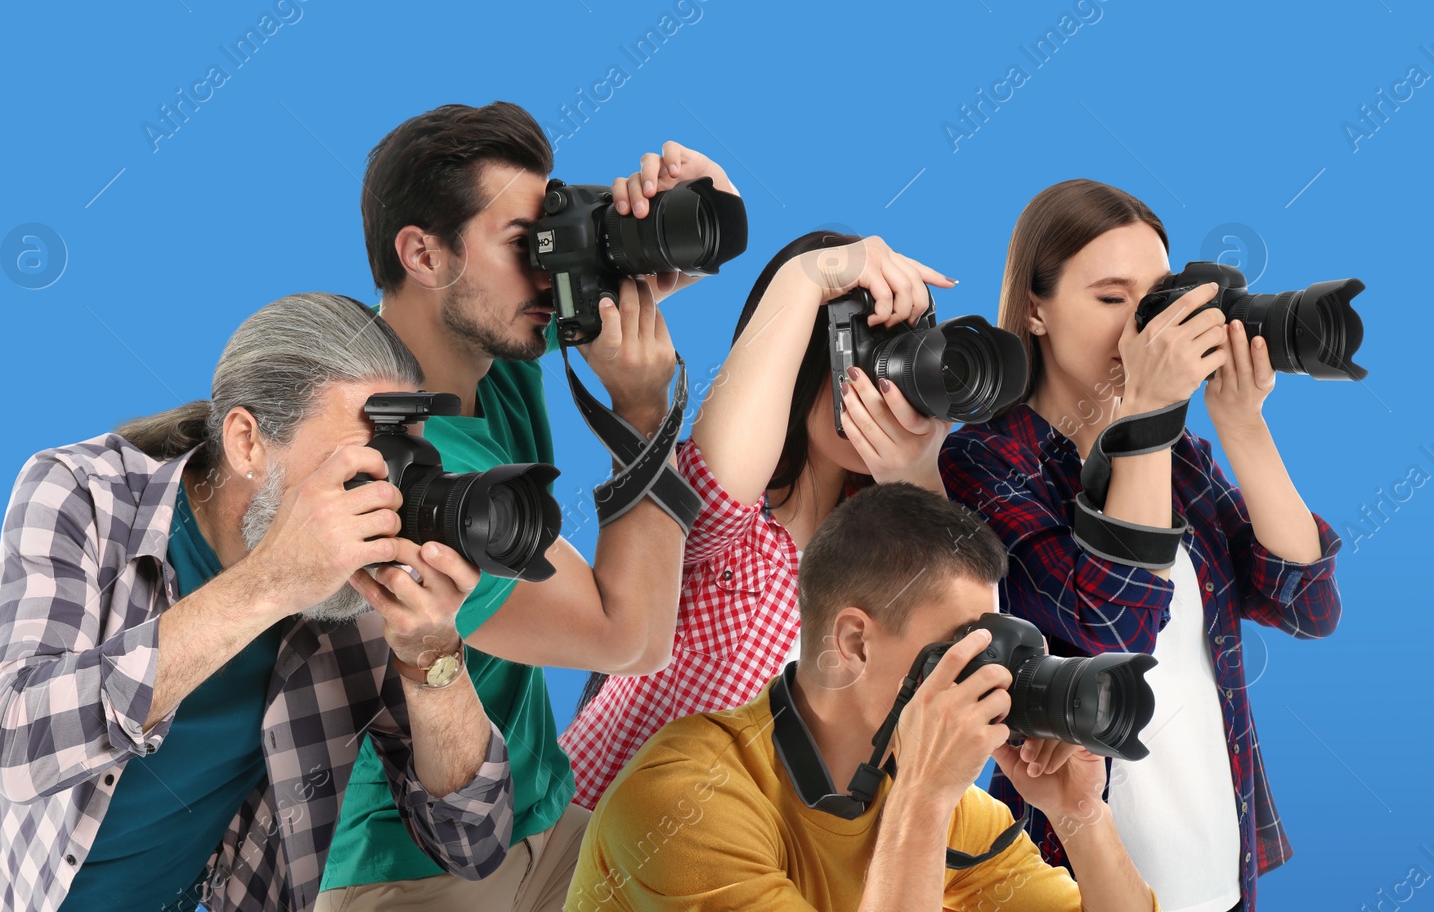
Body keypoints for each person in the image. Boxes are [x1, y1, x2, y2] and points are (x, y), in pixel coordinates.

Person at [0, 293, 515, 912]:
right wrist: (271, 582)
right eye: (361, 464)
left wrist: (432, 657)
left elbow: (472, 842)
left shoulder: (363, 600)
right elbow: (18, 740)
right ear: (246, 442)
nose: (386, 499)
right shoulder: (82, 495)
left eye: (406, 462)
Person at [314, 102, 737, 911]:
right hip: (413, 868)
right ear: (423, 254)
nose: (548, 272)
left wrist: (690, 201)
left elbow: (699, 250)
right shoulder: (393, 464)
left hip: (543, 821)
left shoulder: (481, 342)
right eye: (523, 246)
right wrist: (642, 419)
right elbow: (631, 639)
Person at [939, 178, 1344, 912]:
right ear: (1035, 307)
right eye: (1109, 298)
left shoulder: (1183, 456)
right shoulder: (984, 462)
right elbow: (1115, 622)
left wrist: (1243, 425)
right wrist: (1148, 414)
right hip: (1072, 876)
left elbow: (1308, 606)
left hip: (1222, 869)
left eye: (1155, 299)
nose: (1141, 331)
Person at [565, 481, 1161, 911]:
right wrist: (924, 802)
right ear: (854, 643)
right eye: (962, 650)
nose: (990, 680)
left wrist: (1079, 815)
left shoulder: (940, 806)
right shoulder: (683, 800)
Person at [561, 230, 954, 810]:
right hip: (579, 865)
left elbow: (969, 660)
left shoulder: (882, 579)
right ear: (799, 360)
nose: (885, 388)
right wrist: (807, 278)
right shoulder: (735, 532)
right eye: (863, 353)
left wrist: (918, 479)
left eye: (899, 360)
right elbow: (719, 479)